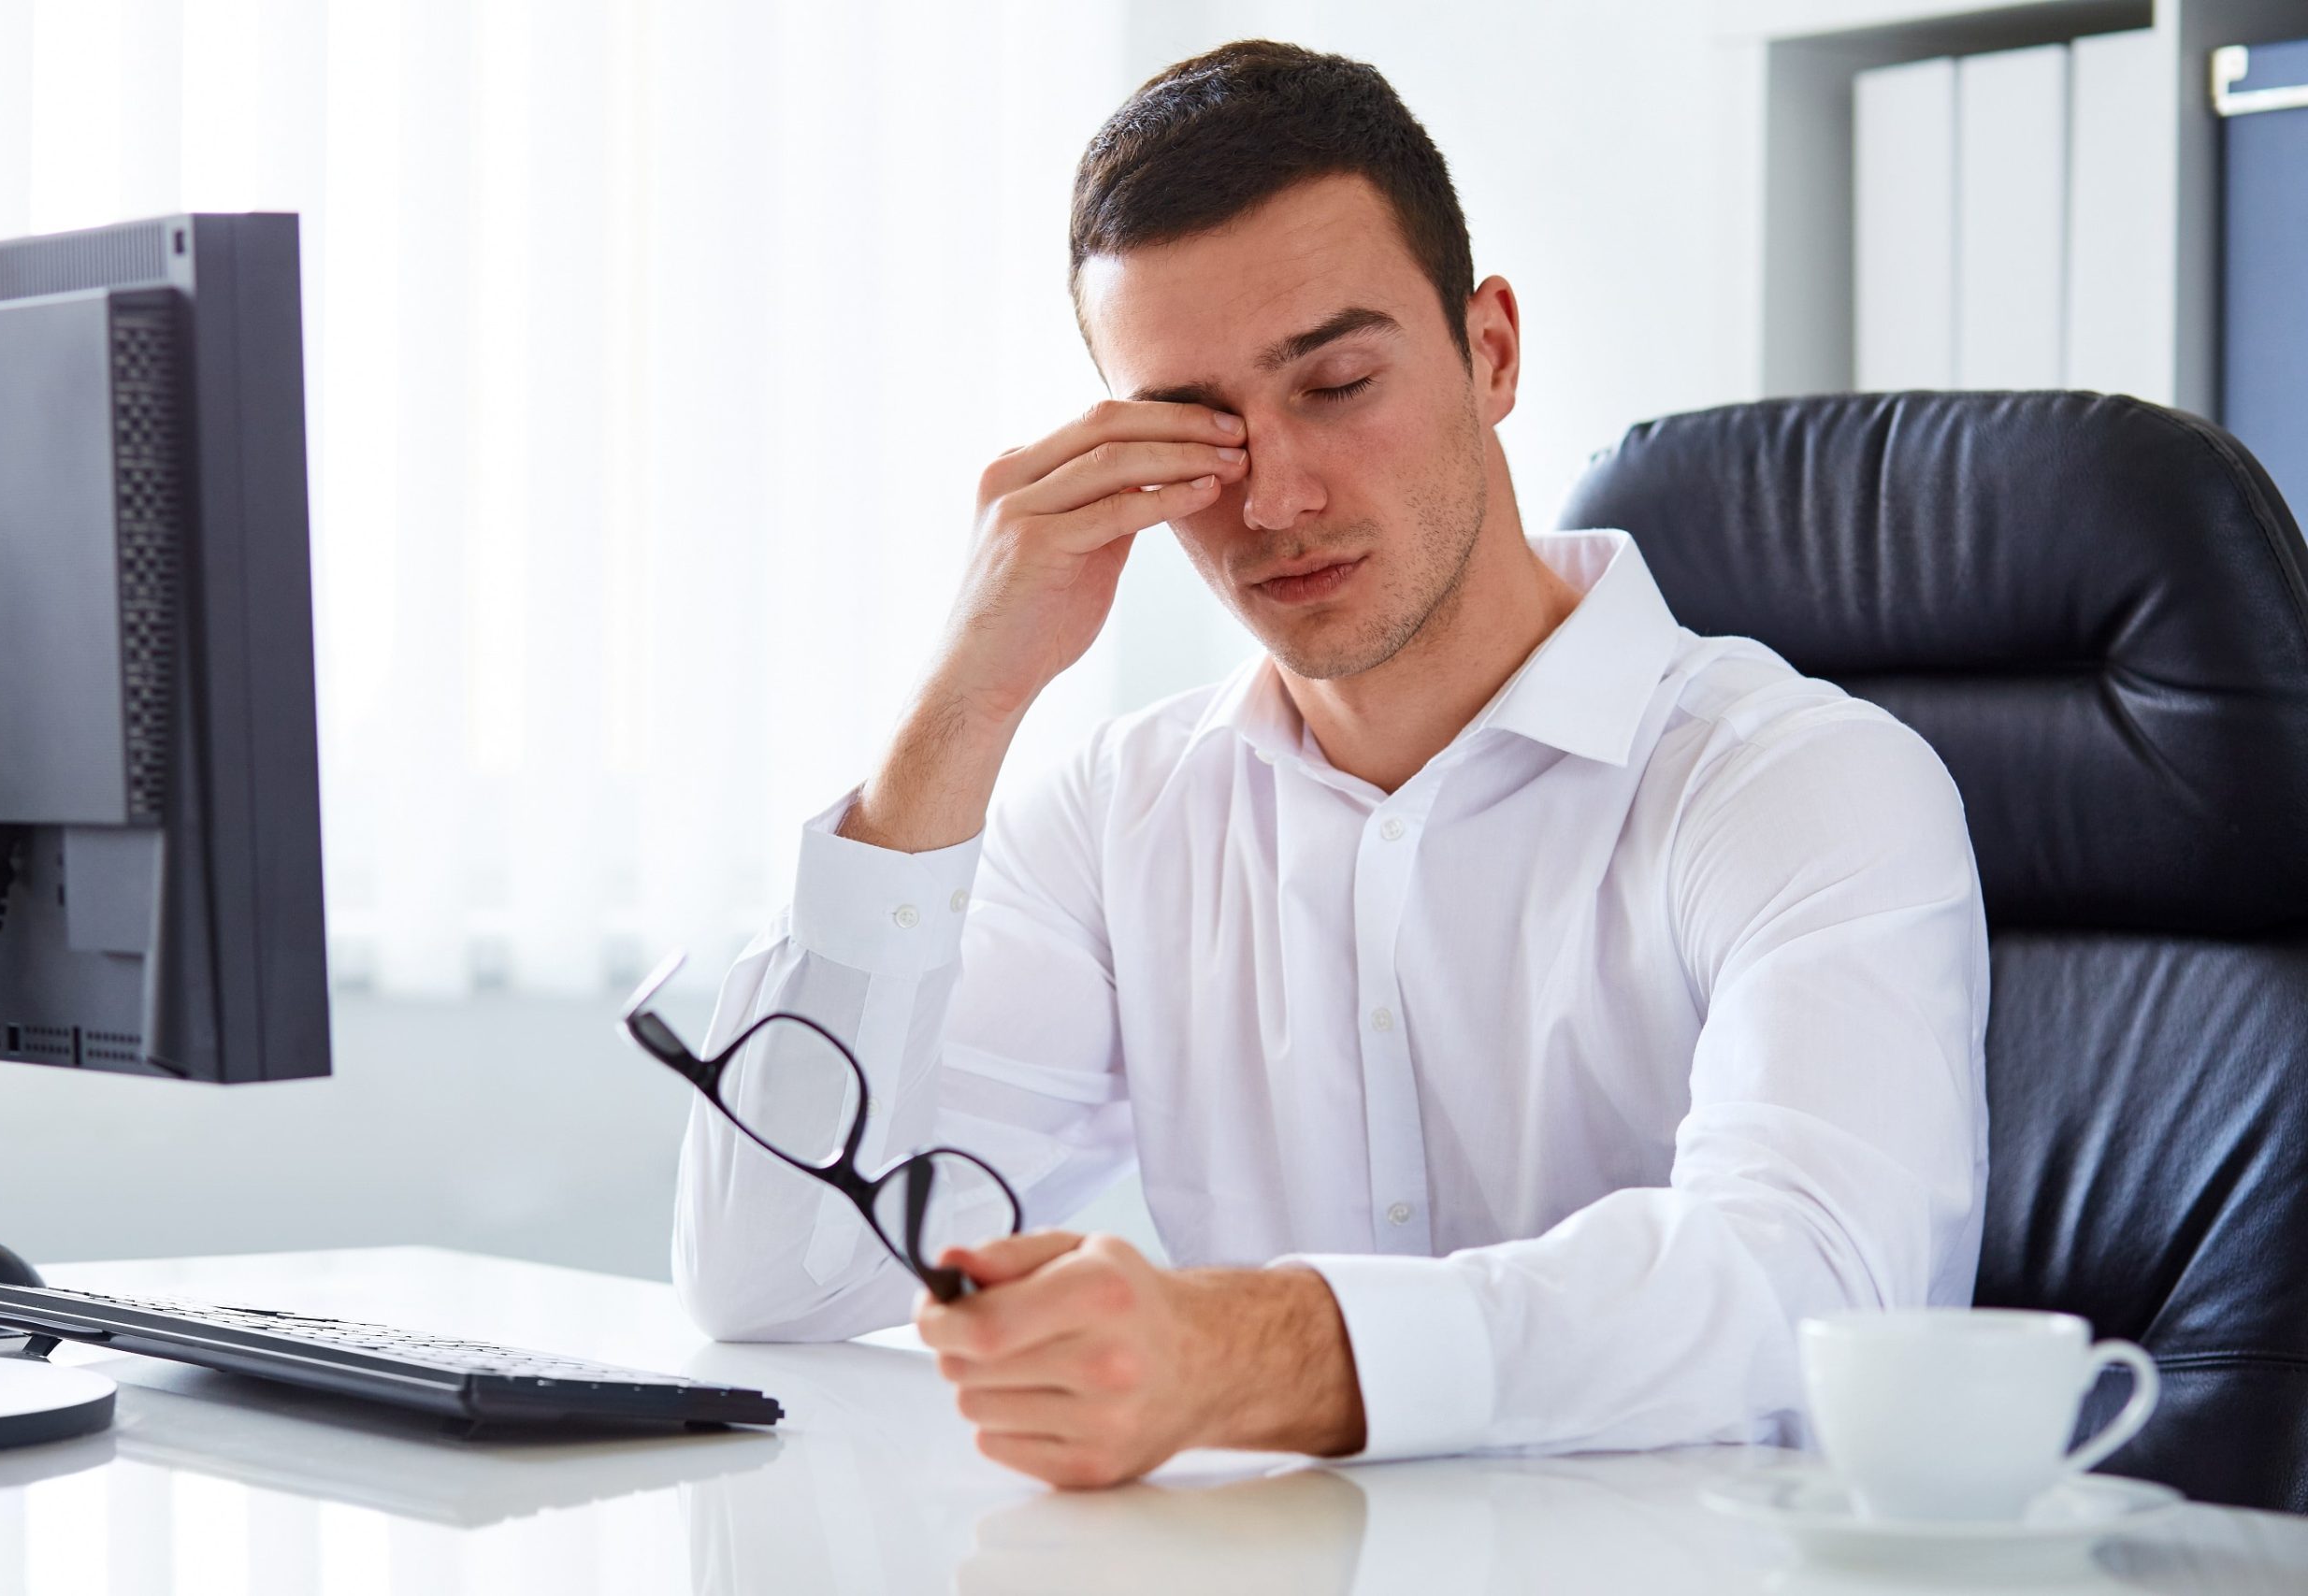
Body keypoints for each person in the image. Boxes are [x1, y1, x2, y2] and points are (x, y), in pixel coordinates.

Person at [672, 38, 1988, 1490]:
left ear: (1491, 351)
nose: (1277, 499)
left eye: (1340, 382)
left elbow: (1813, 1287)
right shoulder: (1125, 815)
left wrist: (1260, 1350)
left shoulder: (1802, 785)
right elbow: (770, 1277)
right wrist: (965, 702)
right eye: (1198, 432)